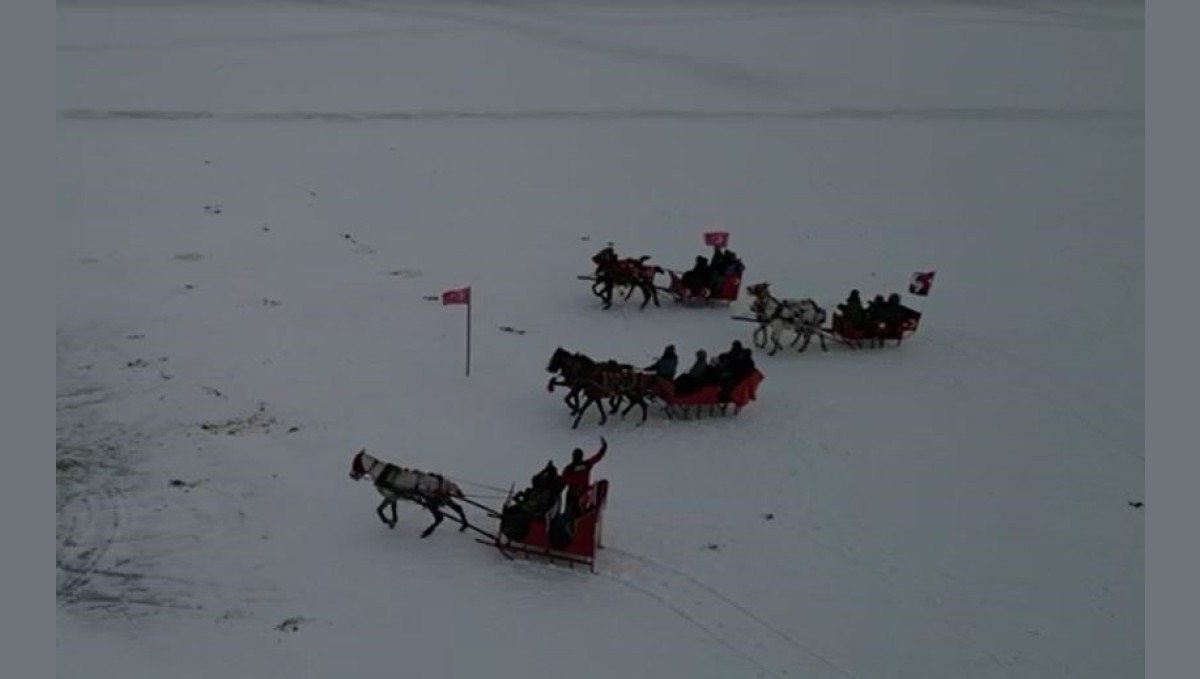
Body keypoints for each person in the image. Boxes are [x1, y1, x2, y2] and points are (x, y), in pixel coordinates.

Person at [561, 437, 607, 518]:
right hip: (584, 494)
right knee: (582, 515)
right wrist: (604, 447)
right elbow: (597, 457)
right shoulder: (586, 465)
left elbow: (563, 480)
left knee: (569, 515)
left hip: (572, 495)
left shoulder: (569, 468)